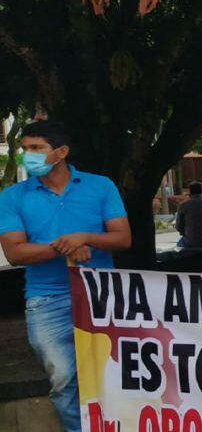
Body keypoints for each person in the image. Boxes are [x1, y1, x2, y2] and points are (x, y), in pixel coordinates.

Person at [0, 120, 131, 432]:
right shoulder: (12, 196)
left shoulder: (100, 186)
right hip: (46, 299)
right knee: (62, 378)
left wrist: (85, 237)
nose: (27, 155)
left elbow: (123, 238)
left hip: (103, 294)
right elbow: (15, 252)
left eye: (36, 148)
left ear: (61, 152)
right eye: (24, 149)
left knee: (115, 373)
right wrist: (67, 247)